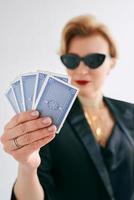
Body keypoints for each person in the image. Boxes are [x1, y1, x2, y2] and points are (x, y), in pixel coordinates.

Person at [0, 14, 134, 200]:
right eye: (72, 60)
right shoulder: (46, 119)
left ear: (112, 63)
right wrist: (27, 166)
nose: (81, 69)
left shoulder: (131, 112)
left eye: (94, 59)